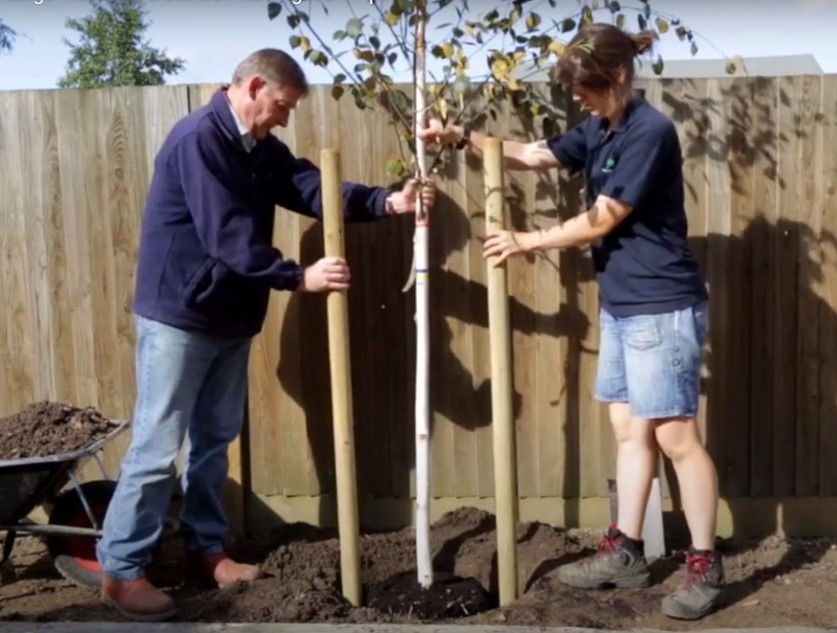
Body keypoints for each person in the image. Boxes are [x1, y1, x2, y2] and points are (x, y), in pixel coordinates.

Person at [96, 48, 436, 622]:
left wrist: (386, 201)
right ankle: (122, 569)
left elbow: (307, 185)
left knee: (214, 442)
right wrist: (297, 276)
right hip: (181, 315)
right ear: (254, 86)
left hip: (230, 316)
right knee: (157, 448)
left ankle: (207, 551)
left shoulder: (256, 147)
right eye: (281, 106)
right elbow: (226, 235)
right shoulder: (199, 140)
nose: (284, 118)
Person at [418, 23, 724, 621]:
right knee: (630, 433)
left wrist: (526, 240)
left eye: (586, 87)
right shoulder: (603, 127)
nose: (577, 98)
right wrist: (460, 138)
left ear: (618, 78)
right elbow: (534, 155)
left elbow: (604, 217)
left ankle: (705, 564)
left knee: (675, 437)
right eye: (574, 89)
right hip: (622, 305)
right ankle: (627, 551)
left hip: (661, 305)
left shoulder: (649, 131)